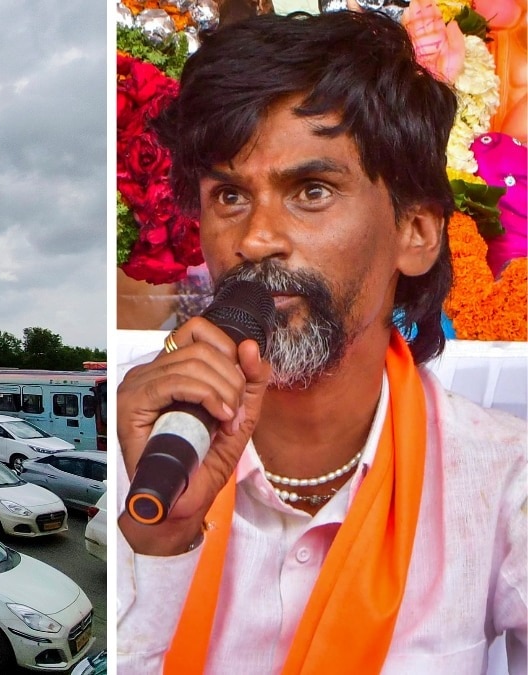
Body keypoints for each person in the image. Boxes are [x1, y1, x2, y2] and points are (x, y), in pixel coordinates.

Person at [116, 10, 526, 675]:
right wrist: (159, 541)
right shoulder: (139, 439)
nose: (254, 239)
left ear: (416, 231)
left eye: (310, 191)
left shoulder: (502, 479)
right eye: (228, 195)